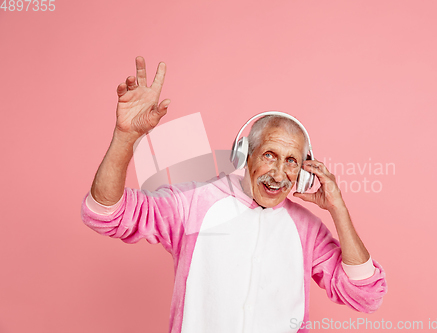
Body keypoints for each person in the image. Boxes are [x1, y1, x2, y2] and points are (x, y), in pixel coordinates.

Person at [81, 56, 387, 333]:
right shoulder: (194, 204)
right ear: (245, 155)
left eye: (291, 161)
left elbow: (367, 296)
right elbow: (106, 214)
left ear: (303, 172)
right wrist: (125, 137)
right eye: (269, 155)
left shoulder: (306, 230)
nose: (279, 174)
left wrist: (338, 208)